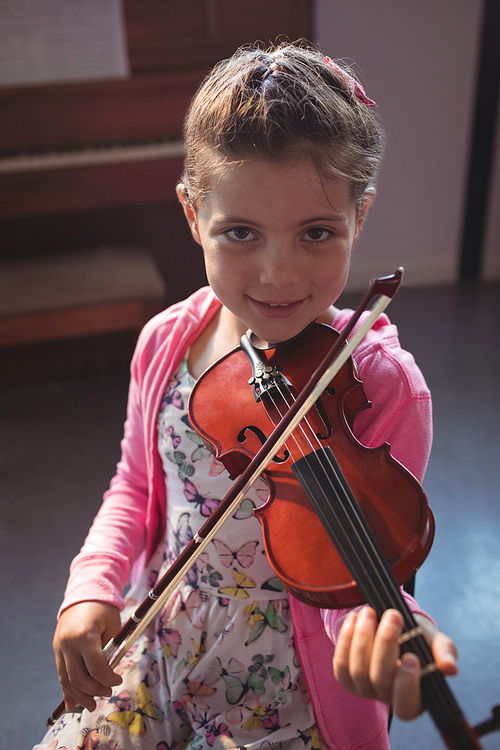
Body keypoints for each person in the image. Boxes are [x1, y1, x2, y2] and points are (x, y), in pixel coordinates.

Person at [35, 42, 458, 750]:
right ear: (193, 215)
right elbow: (137, 487)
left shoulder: (377, 388)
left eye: (316, 233)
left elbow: (357, 578)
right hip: (160, 637)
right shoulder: (167, 341)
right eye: (240, 233)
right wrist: (92, 585)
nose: (277, 274)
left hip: (292, 688)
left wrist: (383, 637)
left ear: (361, 217)